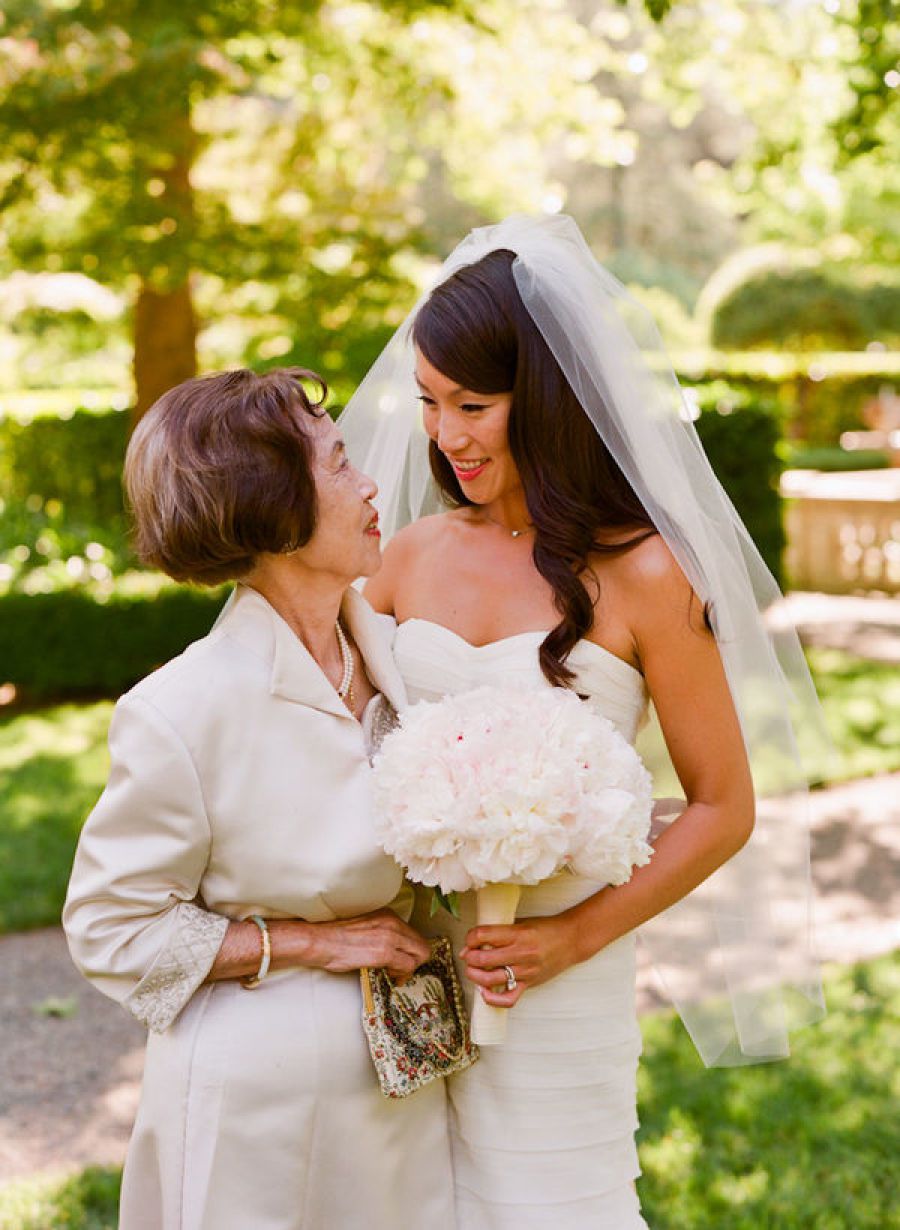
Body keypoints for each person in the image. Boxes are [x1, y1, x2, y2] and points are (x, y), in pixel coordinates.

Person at [341, 215, 826, 1228]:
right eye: (428, 404)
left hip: (564, 992)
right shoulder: (407, 554)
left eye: (474, 404)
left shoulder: (649, 573)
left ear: (548, 399)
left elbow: (723, 806)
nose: (445, 436)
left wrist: (573, 937)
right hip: (406, 977)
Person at [63, 368, 455, 1230]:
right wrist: (315, 942)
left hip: (407, 1088)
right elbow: (112, 927)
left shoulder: (405, 660)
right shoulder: (179, 710)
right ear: (271, 506)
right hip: (256, 1114)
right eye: (339, 464)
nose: (369, 485)